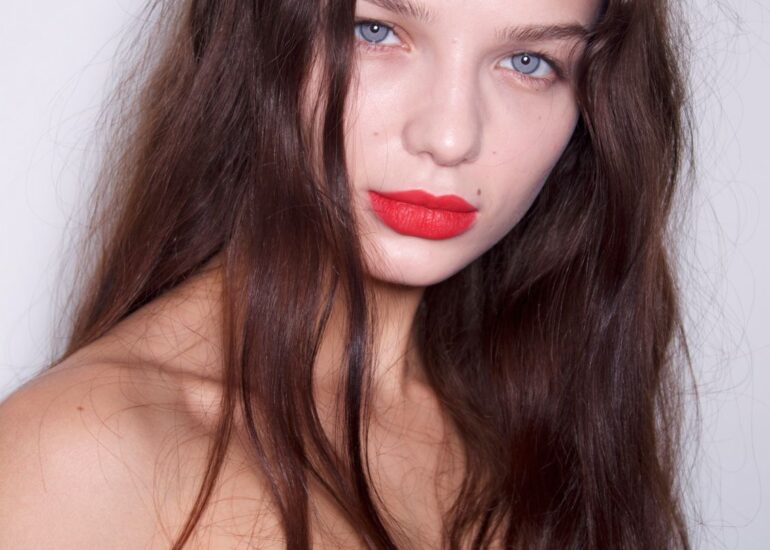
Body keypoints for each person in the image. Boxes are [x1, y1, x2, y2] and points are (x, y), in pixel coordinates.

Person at [0, 0, 695, 548]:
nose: (450, 137)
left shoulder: (556, 425)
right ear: (260, 37)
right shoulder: (80, 455)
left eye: (527, 61)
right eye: (375, 31)